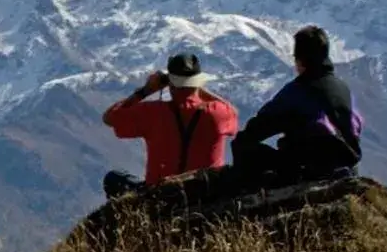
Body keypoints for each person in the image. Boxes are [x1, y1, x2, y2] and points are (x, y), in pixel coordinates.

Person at [230, 25, 362, 185]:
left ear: (300, 60)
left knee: (243, 147)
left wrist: (242, 140)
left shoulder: (297, 91)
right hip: (348, 166)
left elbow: (260, 126)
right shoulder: (343, 88)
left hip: (308, 169)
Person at [102, 52, 240, 199]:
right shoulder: (218, 113)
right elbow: (233, 112)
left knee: (114, 178)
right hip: (205, 193)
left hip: (160, 194)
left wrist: (145, 91)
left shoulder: (153, 113)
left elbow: (110, 118)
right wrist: (197, 89)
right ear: (197, 82)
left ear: (170, 84)